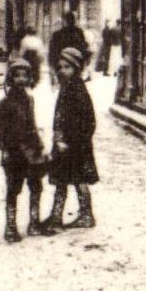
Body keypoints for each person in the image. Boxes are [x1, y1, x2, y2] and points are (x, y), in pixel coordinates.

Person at [0, 57, 48, 242]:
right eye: (17, 76)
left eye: (25, 76)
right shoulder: (4, 104)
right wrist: (5, 147)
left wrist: (39, 145)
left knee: (35, 186)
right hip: (14, 153)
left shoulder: (30, 101)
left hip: (31, 151)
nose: (21, 80)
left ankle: (34, 223)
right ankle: (10, 227)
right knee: (13, 189)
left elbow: (32, 124)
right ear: (11, 79)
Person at [45, 46, 99, 231]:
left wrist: (70, 141)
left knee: (77, 180)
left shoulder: (78, 91)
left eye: (67, 67)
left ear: (76, 68)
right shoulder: (67, 88)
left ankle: (85, 214)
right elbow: (59, 115)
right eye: (60, 67)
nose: (62, 71)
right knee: (64, 181)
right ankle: (56, 216)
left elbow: (88, 122)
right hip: (64, 145)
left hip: (74, 147)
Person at [48, 9, 91, 75]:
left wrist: (53, 66)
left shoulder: (57, 34)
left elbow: (53, 51)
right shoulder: (79, 32)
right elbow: (84, 46)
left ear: (65, 21)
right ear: (74, 21)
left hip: (63, 63)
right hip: (76, 63)